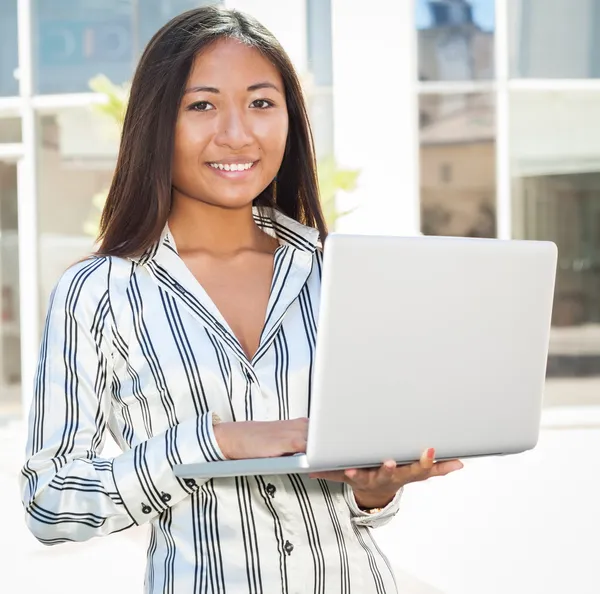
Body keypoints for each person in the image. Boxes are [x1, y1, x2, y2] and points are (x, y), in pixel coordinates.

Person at [20, 6, 463, 593]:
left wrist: (373, 491)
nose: (237, 133)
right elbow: (50, 505)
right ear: (157, 122)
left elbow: (355, 499)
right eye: (202, 105)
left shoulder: (337, 273)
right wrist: (217, 441)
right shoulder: (98, 293)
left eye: (261, 103)